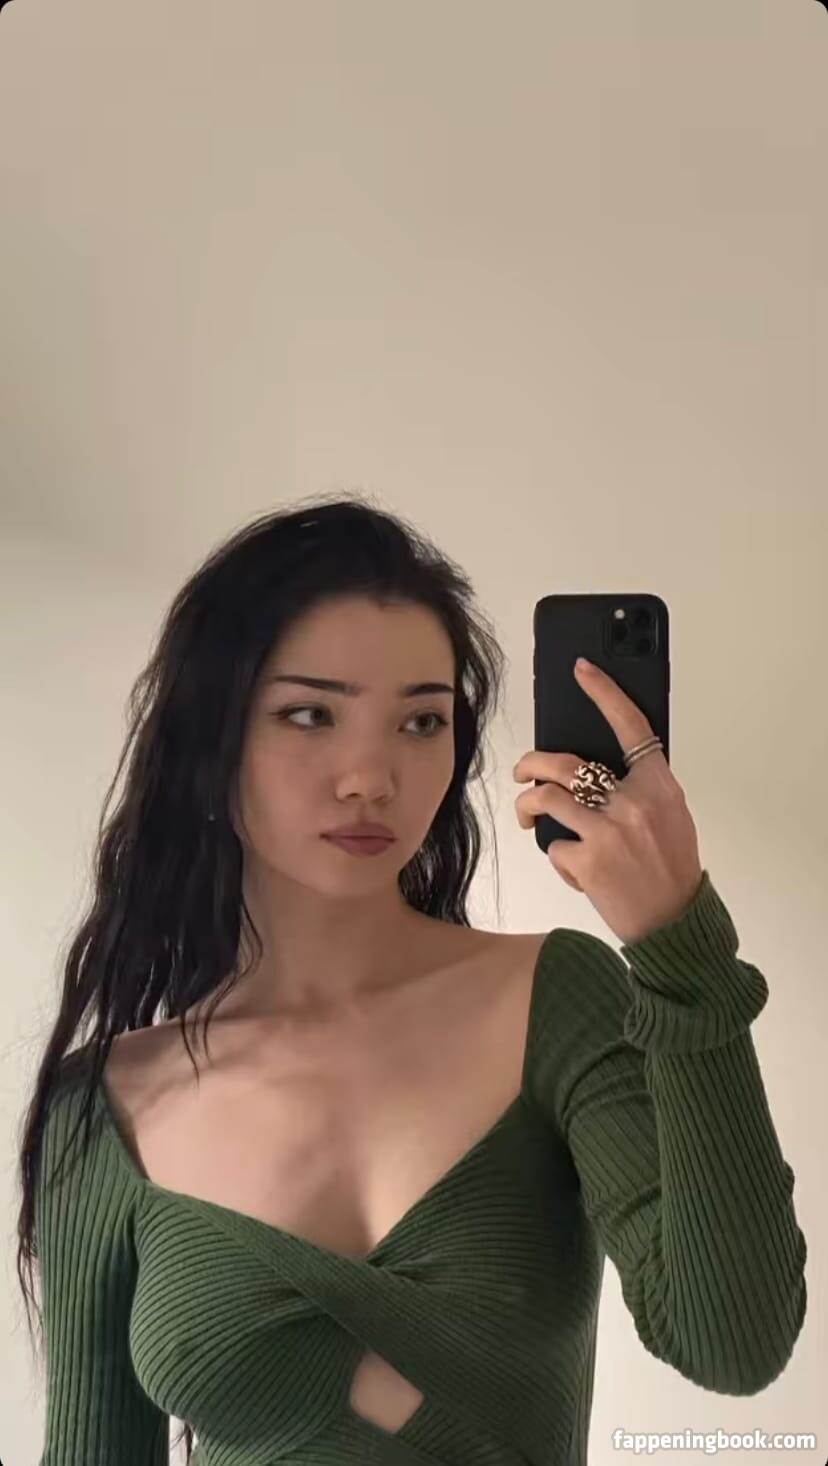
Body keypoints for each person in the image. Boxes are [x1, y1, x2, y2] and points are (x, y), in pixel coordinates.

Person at [17, 495, 807, 1466]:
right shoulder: (105, 1111)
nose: (371, 777)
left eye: (421, 720)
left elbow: (734, 1342)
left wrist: (679, 941)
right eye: (310, 714)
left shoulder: (554, 1002)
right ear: (210, 739)